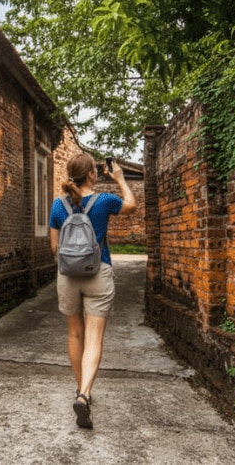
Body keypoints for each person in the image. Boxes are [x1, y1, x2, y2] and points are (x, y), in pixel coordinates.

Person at [49, 153, 136, 430]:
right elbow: (132, 206)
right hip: (99, 272)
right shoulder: (104, 201)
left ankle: (80, 390)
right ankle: (85, 393)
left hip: (67, 276)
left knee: (75, 333)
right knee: (94, 337)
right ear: (91, 175)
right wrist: (120, 179)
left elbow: (54, 247)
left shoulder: (58, 204)